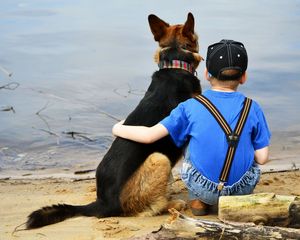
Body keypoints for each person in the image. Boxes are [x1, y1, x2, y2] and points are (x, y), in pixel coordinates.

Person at [112, 39, 271, 216]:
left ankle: (199, 202)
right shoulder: (253, 107)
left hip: (203, 187)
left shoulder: (189, 106)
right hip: (241, 189)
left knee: (187, 136)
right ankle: (234, 198)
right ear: (244, 77)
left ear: (206, 74)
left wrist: (117, 128)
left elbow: (149, 136)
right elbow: (263, 158)